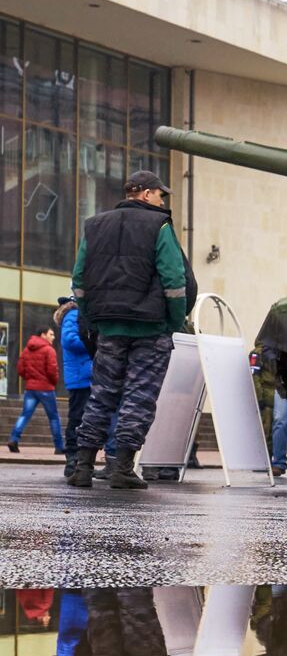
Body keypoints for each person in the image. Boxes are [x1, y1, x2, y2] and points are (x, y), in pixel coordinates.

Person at [67, 170, 192, 490]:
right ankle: (121, 466)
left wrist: (91, 317)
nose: (163, 200)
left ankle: (82, 466)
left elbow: (79, 278)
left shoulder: (94, 225)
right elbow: (174, 280)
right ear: (147, 194)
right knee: (139, 397)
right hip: (150, 327)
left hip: (109, 326)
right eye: (160, 194)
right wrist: (174, 322)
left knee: (101, 395)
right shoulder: (159, 225)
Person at [7, 325, 63, 454]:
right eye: (51, 334)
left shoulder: (27, 349)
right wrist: (53, 382)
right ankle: (59, 447)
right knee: (54, 417)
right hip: (46, 389)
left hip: (31, 388)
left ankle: (14, 439)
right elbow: (52, 370)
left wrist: (30, 379)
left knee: (25, 415)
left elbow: (20, 368)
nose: (53, 337)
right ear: (43, 335)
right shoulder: (49, 350)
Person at [54, 298, 94, 476]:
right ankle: (72, 457)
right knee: (77, 417)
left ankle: (77, 458)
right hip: (80, 376)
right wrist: (93, 343)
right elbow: (70, 340)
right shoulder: (73, 314)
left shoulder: (77, 314)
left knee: (83, 417)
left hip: (85, 374)